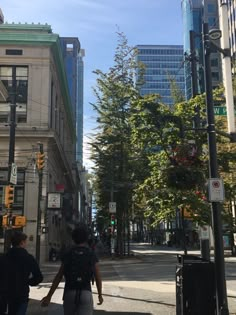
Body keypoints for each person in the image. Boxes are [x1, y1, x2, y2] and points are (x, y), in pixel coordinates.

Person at [41, 223, 103, 315]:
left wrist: (49, 296)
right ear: (86, 239)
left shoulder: (68, 253)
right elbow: (97, 277)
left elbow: (59, 276)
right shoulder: (91, 254)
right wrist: (99, 295)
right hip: (85, 292)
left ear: (73, 238)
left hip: (69, 292)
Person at [3, 231, 43, 315]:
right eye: (25, 242)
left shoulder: (4, 257)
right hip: (21, 294)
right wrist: (28, 282)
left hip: (5, 294)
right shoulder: (28, 258)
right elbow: (38, 277)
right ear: (22, 242)